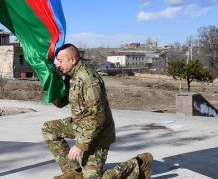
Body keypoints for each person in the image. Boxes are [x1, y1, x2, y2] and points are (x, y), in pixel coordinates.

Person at [42, 43, 153, 179]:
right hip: (81, 126)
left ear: (72, 60)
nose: (57, 65)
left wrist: (80, 145)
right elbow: (61, 103)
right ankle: (74, 173)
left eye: (60, 61)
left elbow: (97, 118)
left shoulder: (89, 80)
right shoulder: (72, 77)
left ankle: (139, 164)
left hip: (98, 134)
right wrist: (49, 85)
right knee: (49, 129)